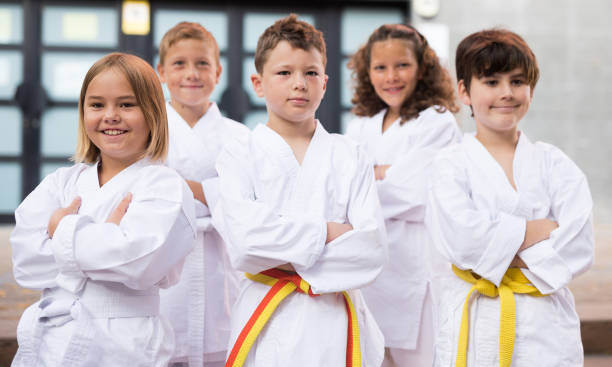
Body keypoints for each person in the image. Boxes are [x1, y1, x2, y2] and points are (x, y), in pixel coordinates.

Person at [212, 14, 387, 367]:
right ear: (258, 83)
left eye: (310, 73)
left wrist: (281, 240)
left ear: (325, 81)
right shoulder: (238, 153)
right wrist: (329, 231)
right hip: (266, 316)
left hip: (336, 320)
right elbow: (245, 243)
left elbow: (371, 249)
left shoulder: (349, 153)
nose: (299, 84)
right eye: (284, 73)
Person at [10, 53, 197, 366]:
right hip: (52, 340)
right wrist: (104, 237)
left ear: (153, 112)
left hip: (126, 345)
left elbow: (139, 263)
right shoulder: (62, 181)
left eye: (126, 104)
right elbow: (26, 262)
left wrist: (61, 229)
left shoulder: (165, 186)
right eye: (97, 105)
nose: (111, 115)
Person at [426, 29, 594, 366]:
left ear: (531, 89)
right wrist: (540, 230)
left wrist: (498, 249)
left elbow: (579, 243)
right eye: (491, 82)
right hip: (477, 319)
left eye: (517, 81)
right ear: (464, 91)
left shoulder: (555, 163)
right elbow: (461, 238)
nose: (507, 93)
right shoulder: (449, 163)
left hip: (545, 326)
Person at [345, 24, 461, 367]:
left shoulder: (437, 122)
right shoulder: (361, 125)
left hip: (416, 268)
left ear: (422, 67)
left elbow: (417, 193)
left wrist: (368, 178)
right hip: (369, 269)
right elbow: (340, 190)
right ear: (367, 73)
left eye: (402, 65)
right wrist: (386, 173)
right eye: (380, 67)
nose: (391, 76)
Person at [156, 21, 250, 367]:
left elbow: (248, 200)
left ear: (218, 71)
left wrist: (180, 188)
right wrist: (214, 193)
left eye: (202, 63)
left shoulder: (240, 137)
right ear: (161, 71)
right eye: (179, 64)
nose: (191, 74)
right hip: (166, 262)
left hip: (222, 263)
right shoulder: (149, 134)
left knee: (223, 347)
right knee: (165, 345)